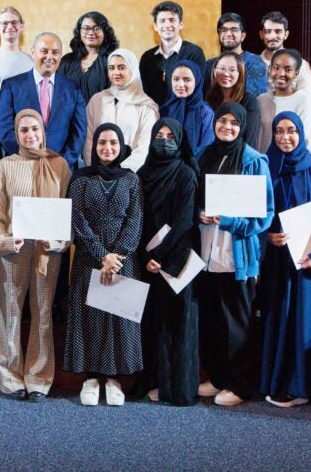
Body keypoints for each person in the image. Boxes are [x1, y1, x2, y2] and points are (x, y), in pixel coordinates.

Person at [0, 109, 72, 401]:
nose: (30, 134)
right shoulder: (5, 166)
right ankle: (10, 377)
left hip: (48, 253)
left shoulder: (59, 166)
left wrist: (59, 242)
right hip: (14, 251)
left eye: (35, 129)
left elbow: (69, 213)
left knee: (44, 311)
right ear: (16, 134)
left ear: (43, 130)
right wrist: (4, 241)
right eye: (24, 130)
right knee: (11, 311)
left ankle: (39, 378)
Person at [196, 102, 274, 407]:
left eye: (233, 123)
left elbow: (264, 215)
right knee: (212, 320)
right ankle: (217, 377)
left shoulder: (255, 160)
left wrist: (226, 219)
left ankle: (239, 384)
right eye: (221, 121)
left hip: (236, 253)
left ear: (243, 127)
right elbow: (194, 196)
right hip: (205, 251)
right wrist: (198, 214)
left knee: (236, 324)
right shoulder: (204, 154)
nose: (226, 127)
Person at [259, 111, 311, 408]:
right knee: (279, 318)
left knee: (306, 320)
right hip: (278, 261)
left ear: (301, 133)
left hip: (308, 263)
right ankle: (278, 382)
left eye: (291, 131)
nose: (285, 137)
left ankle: (304, 387)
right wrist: (268, 236)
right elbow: (259, 212)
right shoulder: (269, 167)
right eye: (279, 131)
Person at [64, 124, 143, 407]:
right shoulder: (81, 178)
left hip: (123, 261)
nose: (107, 148)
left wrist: (117, 256)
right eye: (102, 143)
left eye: (113, 143)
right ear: (94, 146)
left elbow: (135, 219)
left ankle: (113, 380)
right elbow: (77, 220)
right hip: (89, 258)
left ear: (121, 146)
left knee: (117, 320)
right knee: (91, 319)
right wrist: (102, 255)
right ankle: (91, 378)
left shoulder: (131, 179)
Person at [134, 118, 199, 406]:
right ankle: (151, 382)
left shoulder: (186, 174)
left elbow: (185, 221)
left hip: (176, 261)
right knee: (149, 324)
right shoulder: (141, 174)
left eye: (170, 135)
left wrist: (159, 257)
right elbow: (135, 217)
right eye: (158, 135)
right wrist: (145, 257)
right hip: (146, 262)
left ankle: (176, 389)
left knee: (176, 325)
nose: (163, 140)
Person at [0, 32, 87, 171]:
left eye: (55, 52)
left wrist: (61, 163)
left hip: (61, 170)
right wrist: (25, 159)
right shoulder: (11, 86)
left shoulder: (73, 89)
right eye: (44, 51)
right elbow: (5, 129)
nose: (49, 57)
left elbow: (79, 133)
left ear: (60, 56)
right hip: (20, 168)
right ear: (33, 52)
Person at [83, 49, 159, 171]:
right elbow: (88, 141)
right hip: (97, 173)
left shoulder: (146, 107)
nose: (116, 72)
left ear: (132, 70)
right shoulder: (97, 101)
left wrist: (120, 174)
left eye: (122, 67)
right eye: (111, 68)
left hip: (131, 175)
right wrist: (96, 171)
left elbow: (145, 148)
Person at [139, 0, 207, 106]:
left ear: (181, 24)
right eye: (162, 21)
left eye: (172, 20)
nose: (167, 25)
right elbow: (145, 93)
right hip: (154, 116)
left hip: (184, 114)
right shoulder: (147, 58)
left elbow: (196, 91)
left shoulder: (194, 53)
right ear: (155, 26)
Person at [256, 49, 311, 152]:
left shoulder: (302, 99)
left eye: (288, 70)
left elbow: (305, 138)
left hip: (291, 163)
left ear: (296, 74)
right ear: (270, 70)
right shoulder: (261, 99)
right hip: (265, 162)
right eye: (276, 68)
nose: (281, 73)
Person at [58, 11, 120, 104]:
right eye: (86, 28)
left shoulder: (113, 60)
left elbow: (119, 97)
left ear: (105, 32)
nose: (91, 32)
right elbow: (57, 94)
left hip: (103, 117)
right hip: (71, 117)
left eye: (97, 28)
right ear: (79, 32)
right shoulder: (67, 60)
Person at [204, 52, 262, 150]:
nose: (226, 74)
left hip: (237, 158)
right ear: (214, 71)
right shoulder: (207, 98)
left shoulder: (249, 101)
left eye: (232, 70)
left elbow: (250, 141)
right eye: (221, 68)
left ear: (240, 73)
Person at [202, 13, 268, 98]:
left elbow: (254, 98)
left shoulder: (254, 62)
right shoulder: (210, 64)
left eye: (234, 30)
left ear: (243, 36)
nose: (228, 34)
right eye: (224, 30)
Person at [160, 60, 215, 160]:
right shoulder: (165, 109)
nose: (180, 84)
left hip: (196, 168)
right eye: (176, 79)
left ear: (197, 81)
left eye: (187, 80)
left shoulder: (205, 112)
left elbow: (207, 147)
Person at [259, 12, 311, 95]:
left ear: (286, 34)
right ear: (261, 34)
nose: (273, 36)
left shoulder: (301, 64)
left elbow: (306, 97)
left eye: (278, 31)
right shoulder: (252, 63)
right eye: (268, 31)